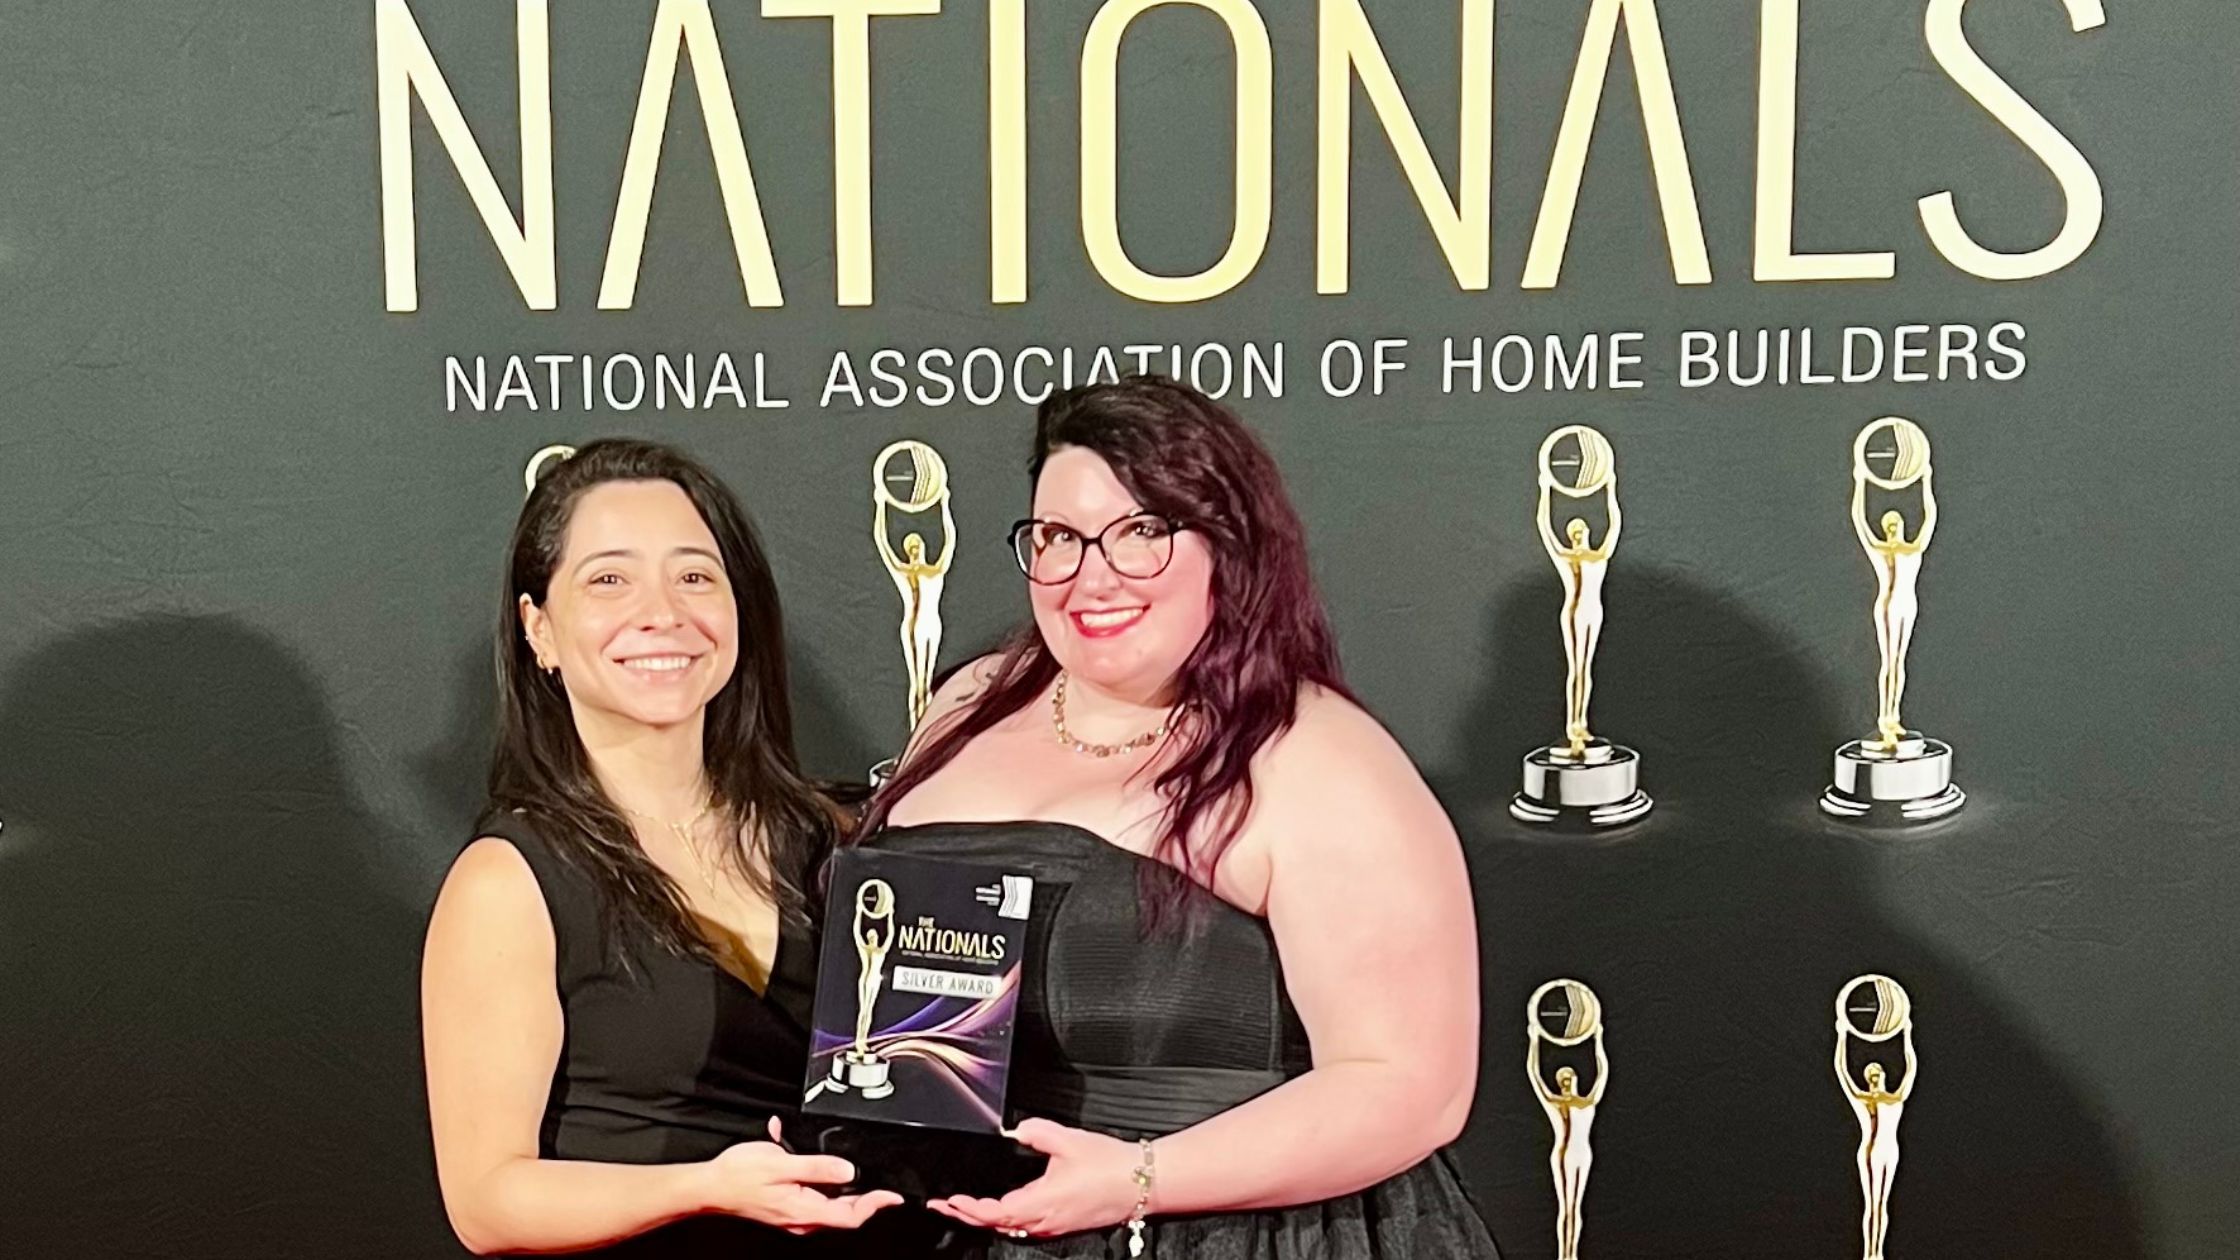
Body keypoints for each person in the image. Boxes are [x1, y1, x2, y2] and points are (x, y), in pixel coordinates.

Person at [855, 378, 1501, 1257]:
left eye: (1140, 535)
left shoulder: (1318, 760)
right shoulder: (969, 700)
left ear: (1227, 551)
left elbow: (1410, 1089)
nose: (1092, 578)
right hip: (968, 1228)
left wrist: (1137, 1180)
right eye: (1059, 539)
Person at [420, 439, 900, 1256]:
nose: (663, 614)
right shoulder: (511, 882)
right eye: (609, 579)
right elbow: (488, 1200)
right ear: (539, 628)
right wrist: (703, 1187)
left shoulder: (836, 835)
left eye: (694, 576)